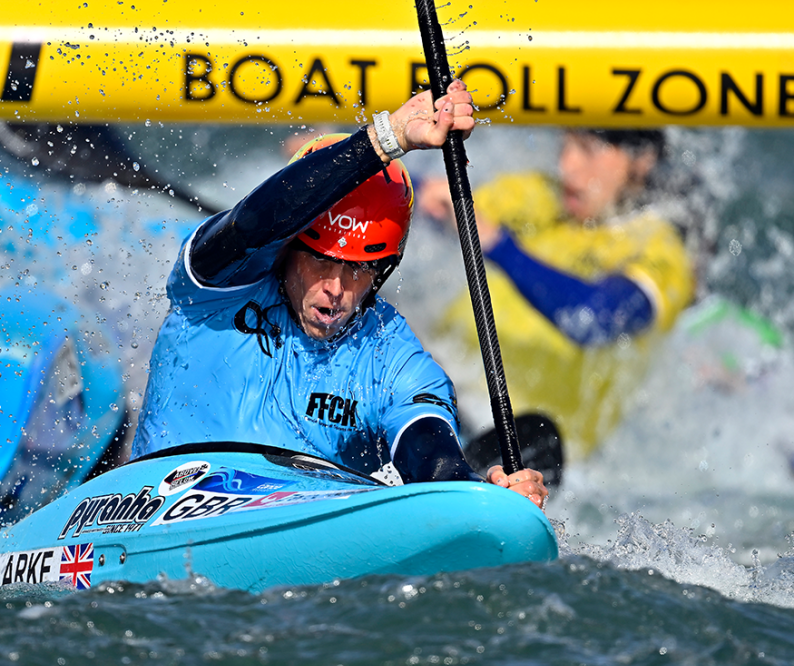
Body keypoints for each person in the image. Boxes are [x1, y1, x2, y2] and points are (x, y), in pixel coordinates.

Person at [131, 80, 548, 509]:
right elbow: (256, 220)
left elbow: (434, 466)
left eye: (359, 270)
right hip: (147, 507)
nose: (336, 289)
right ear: (287, 249)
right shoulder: (218, 283)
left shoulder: (391, 355)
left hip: (288, 534)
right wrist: (390, 137)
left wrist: (480, 496)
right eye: (320, 262)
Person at [434, 129, 695, 465]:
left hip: (526, 450)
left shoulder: (663, 254)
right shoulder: (541, 195)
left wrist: (498, 245)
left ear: (642, 160)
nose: (566, 165)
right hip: (440, 389)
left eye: (587, 149)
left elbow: (593, 320)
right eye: (565, 144)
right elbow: (424, 196)